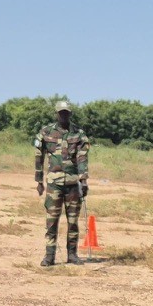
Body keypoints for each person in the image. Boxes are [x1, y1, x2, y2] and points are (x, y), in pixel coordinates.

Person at [33, 99, 89, 266]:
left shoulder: (78, 134)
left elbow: (82, 158)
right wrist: (39, 181)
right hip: (54, 184)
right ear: (56, 114)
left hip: (73, 184)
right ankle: (49, 256)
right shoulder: (45, 132)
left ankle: (72, 255)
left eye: (66, 113)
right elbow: (39, 156)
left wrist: (84, 180)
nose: (64, 115)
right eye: (61, 113)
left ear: (70, 114)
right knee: (52, 221)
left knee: (73, 222)